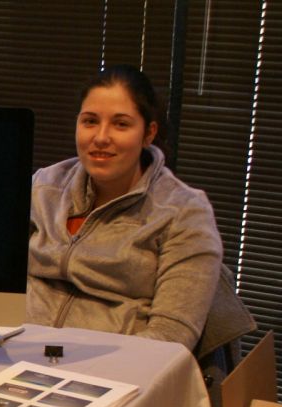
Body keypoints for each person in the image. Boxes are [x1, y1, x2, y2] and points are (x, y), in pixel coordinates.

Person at [26, 65, 222, 351]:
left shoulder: (183, 212)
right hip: (17, 353)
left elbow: (171, 337)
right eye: (90, 121)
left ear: (148, 133)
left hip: (114, 370)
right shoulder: (44, 187)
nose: (101, 137)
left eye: (121, 124)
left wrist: (85, 364)